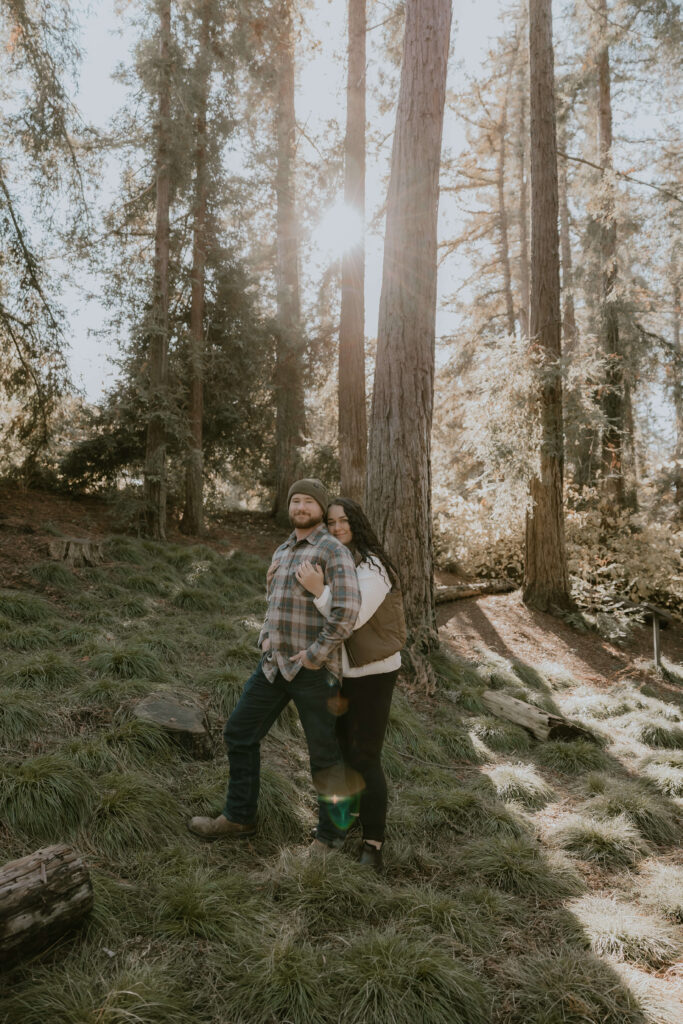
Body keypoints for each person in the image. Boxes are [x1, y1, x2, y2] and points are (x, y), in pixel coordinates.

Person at [188, 479, 361, 850]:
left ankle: (330, 839)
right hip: (273, 666)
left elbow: (346, 613)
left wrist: (315, 656)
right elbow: (275, 602)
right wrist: (265, 637)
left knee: (324, 755)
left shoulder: (332, 550)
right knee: (239, 732)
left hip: (314, 672)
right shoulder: (283, 549)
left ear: (320, 508)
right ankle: (238, 817)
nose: (300, 506)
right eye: (295, 500)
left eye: (308, 502)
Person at [295, 498, 404, 871]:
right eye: (332, 521)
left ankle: (374, 843)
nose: (338, 527)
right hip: (341, 672)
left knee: (365, 756)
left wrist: (318, 590)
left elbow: (350, 619)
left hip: (373, 673)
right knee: (344, 749)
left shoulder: (373, 567)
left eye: (344, 520)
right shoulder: (340, 561)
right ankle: (349, 819)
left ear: (356, 522)